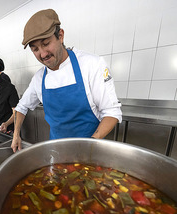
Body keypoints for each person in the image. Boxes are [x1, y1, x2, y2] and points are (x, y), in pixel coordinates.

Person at [11, 9, 122, 152]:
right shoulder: (39, 78)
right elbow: (21, 107)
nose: (43, 54)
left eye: (46, 44)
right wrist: (16, 135)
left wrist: (90, 144)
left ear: (61, 36)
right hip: (56, 150)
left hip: (91, 150)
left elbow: (112, 112)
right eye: (35, 49)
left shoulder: (92, 64)